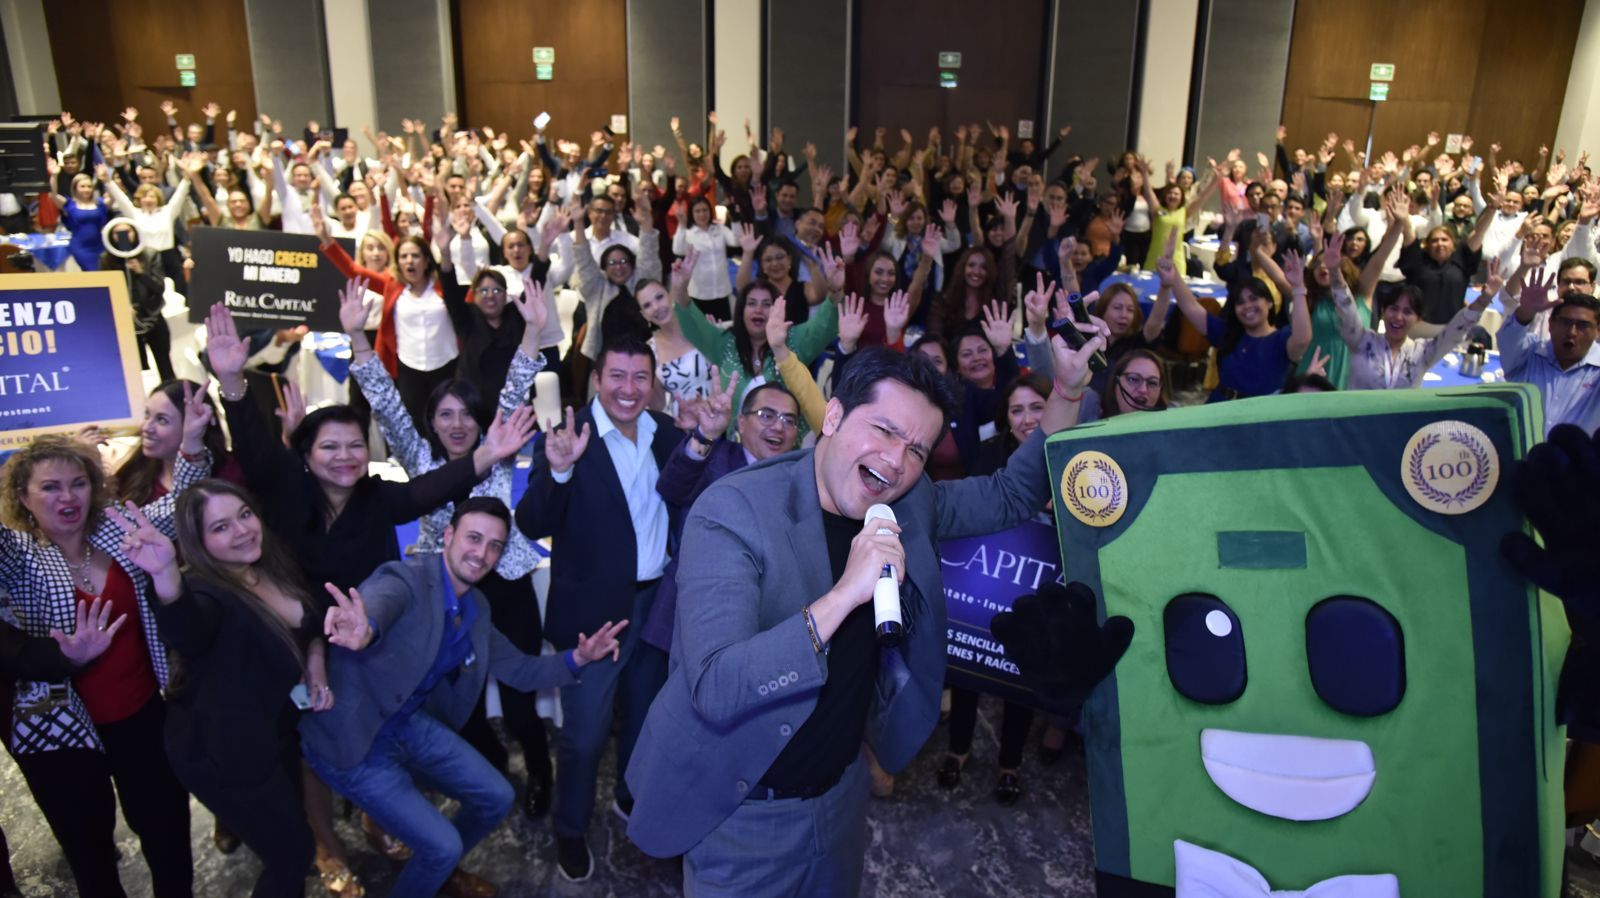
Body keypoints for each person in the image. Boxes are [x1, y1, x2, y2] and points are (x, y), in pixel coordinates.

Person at [625, 334, 1118, 897]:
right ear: (833, 415)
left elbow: (1010, 494)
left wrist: (1067, 390)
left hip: (841, 798)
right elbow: (717, 685)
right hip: (741, 814)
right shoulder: (734, 510)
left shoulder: (909, 501)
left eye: (917, 450)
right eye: (883, 430)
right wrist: (843, 597)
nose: (896, 461)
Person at [301, 497, 627, 898]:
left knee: (497, 797)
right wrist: (366, 626)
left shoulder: (477, 607)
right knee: (444, 846)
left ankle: (432, 867)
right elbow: (383, 600)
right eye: (474, 538)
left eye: (494, 545)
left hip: (408, 724)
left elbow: (521, 670)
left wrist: (579, 658)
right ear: (448, 535)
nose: (482, 553)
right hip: (351, 739)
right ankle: (436, 864)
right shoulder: (407, 578)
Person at [341, 274, 555, 820]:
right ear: (431, 423)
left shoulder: (497, 450)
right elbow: (385, 402)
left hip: (507, 586)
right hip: (446, 595)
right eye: (445, 414)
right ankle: (490, 771)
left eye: (466, 414)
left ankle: (540, 772)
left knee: (520, 699)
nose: (457, 424)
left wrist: (533, 331)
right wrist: (359, 338)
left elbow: (515, 386)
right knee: (459, 699)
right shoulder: (420, 460)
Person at [0, 397, 213, 898]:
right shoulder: (17, 555)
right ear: (23, 497)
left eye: (78, 483)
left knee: (167, 834)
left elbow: (181, 502)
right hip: (61, 734)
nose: (67, 496)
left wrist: (192, 445)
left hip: (141, 716)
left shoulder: (117, 527)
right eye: (49, 487)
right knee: (90, 855)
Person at [513, 338, 685, 881]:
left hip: (655, 606)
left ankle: (629, 796)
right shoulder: (568, 435)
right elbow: (532, 521)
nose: (628, 389)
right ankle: (570, 830)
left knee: (644, 718)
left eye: (640, 378)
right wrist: (560, 471)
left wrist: (705, 436)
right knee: (584, 736)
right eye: (617, 376)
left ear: (653, 384)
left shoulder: (667, 434)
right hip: (594, 617)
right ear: (596, 379)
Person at [204, 304, 523, 595]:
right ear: (306, 454)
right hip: (293, 624)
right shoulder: (288, 486)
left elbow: (425, 490)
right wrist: (231, 381)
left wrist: (487, 453)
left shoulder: (375, 497)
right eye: (330, 446)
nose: (345, 456)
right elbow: (254, 449)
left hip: (370, 625)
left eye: (356, 445)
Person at [112, 482, 328, 898]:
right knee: (292, 854)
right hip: (222, 752)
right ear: (199, 542)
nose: (242, 530)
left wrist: (315, 659)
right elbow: (189, 630)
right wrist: (165, 574)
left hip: (273, 733)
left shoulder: (269, 564)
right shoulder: (206, 592)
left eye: (244, 515)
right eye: (221, 527)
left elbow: (310, 620)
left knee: (291, 838)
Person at [940, 374, 1051, 805]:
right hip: (987, 584)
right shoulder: (989, 453)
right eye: (1017, 410)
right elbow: (974, 514)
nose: (1027, 418)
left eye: (1037, 407)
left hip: (1041, 589)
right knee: (969, 670)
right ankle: (958, 749)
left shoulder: (1071, 454)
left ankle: (1010, 764)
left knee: (1022, 676)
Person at [641, 379, 802, 656]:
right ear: (741, 423)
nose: (778, 427)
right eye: (767, 415)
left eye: (789, 420)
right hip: (681, 619)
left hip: (752, 631)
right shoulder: (715, 458)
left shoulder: (799, 482)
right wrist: (705, 434)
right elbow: (672, 488)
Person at [1326, 232, 1495, 390]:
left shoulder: (1422, 352)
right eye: (1393, 308)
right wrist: (1334, 272)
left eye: (1408, 312)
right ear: (1383, 312)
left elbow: (1455, 331)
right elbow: (1346, 308)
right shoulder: (1362, 341)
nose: (1398, 317)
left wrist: (1484, 299)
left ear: (1418, 319)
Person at [1500, 269, 1600, 436]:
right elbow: (1508, 340)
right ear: (1551, 324)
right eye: (1565, 322)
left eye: (1583, 326)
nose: (1572, 332)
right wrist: (1525, 312)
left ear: (1598, 331)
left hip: (1574, 453)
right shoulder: (1528, 354)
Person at [673, 195, 741, 320]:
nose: (702, 214)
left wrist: (735, 220)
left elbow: (736, 241)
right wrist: (681, 225)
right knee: (701, 330)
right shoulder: (688, 234)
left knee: (723, 328)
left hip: (721, 292)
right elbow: (677, 249)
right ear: (691, 213)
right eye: (697, 211)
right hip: (699, 294)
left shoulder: (719, 229)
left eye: (705, 210)